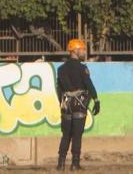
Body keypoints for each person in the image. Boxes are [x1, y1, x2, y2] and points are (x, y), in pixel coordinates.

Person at [56, 38, 100, 171]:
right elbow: (88, 84)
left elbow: (59, 89)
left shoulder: (61, 69)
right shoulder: (82, 68)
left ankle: (61, 164)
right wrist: (96, 100)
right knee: (77, 135)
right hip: (79, 104)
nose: (83, 52)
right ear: (75, 51)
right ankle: (75, 164)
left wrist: (61, 103)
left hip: (67, 105)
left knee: (66, 135)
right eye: (82, 50)